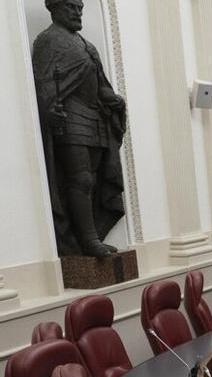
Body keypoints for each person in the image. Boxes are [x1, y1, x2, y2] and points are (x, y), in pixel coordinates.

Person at [32, 0, 125, 258]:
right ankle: (88, 240)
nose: (78, 12)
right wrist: (49, 108)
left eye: (80, 7)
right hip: (70, 118)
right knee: (80, 179)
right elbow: (44, 85)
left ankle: (90, 235)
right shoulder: (47, 41)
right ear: (56, 8)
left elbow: (98, 83)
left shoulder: (87, 45)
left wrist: (112, 98)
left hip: (95, 118)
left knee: (93, 180)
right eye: (72, 7)